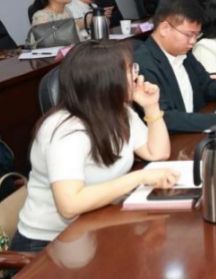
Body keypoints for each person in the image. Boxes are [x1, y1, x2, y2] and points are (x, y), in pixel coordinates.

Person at [11, 40, 179, 252]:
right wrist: (139, 177)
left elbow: (158, 153)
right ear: (107, 80)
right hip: (49, 243)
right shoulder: (66, 131)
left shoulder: (120, 112)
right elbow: (69, 205)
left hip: (95, 225)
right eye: (129, 70)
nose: (136, 75)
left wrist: (151, 107)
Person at [134, 0, 216, 133]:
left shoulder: (183, 52)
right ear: (164, 28)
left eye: (196, 35)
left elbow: (205, 84)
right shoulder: (142, 64)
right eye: (189, 35)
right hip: (172, 140)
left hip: (194, 131)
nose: (193, 41)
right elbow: (165, 117)